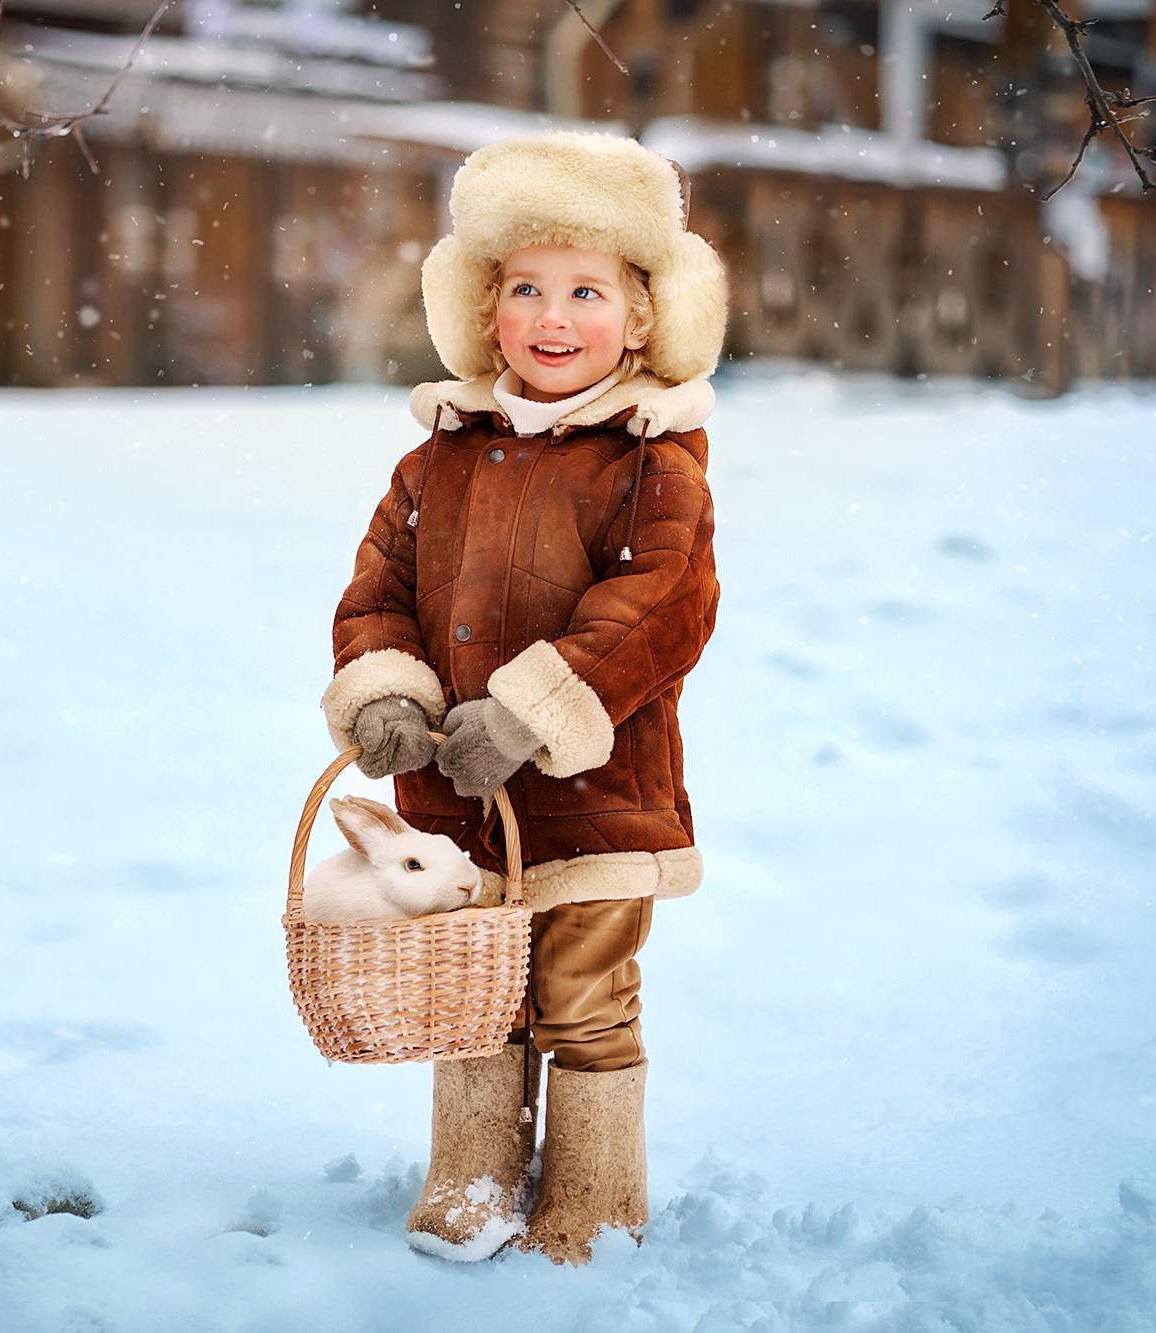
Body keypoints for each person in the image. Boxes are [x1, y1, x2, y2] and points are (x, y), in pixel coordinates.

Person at [318, 132, 727, 1264]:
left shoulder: (652, 463)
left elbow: (657, 608)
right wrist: (387, 689)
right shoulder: (438, 459)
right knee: (474, 989)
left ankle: (591, 1198)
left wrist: (532, 712)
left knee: (581, 992)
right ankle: (474, 1180)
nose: (553, 316)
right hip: (456, 797)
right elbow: (378, 586)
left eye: (585, 291)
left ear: (640, 318)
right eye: (524, 288)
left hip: (596, 794)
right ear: (481, 307)